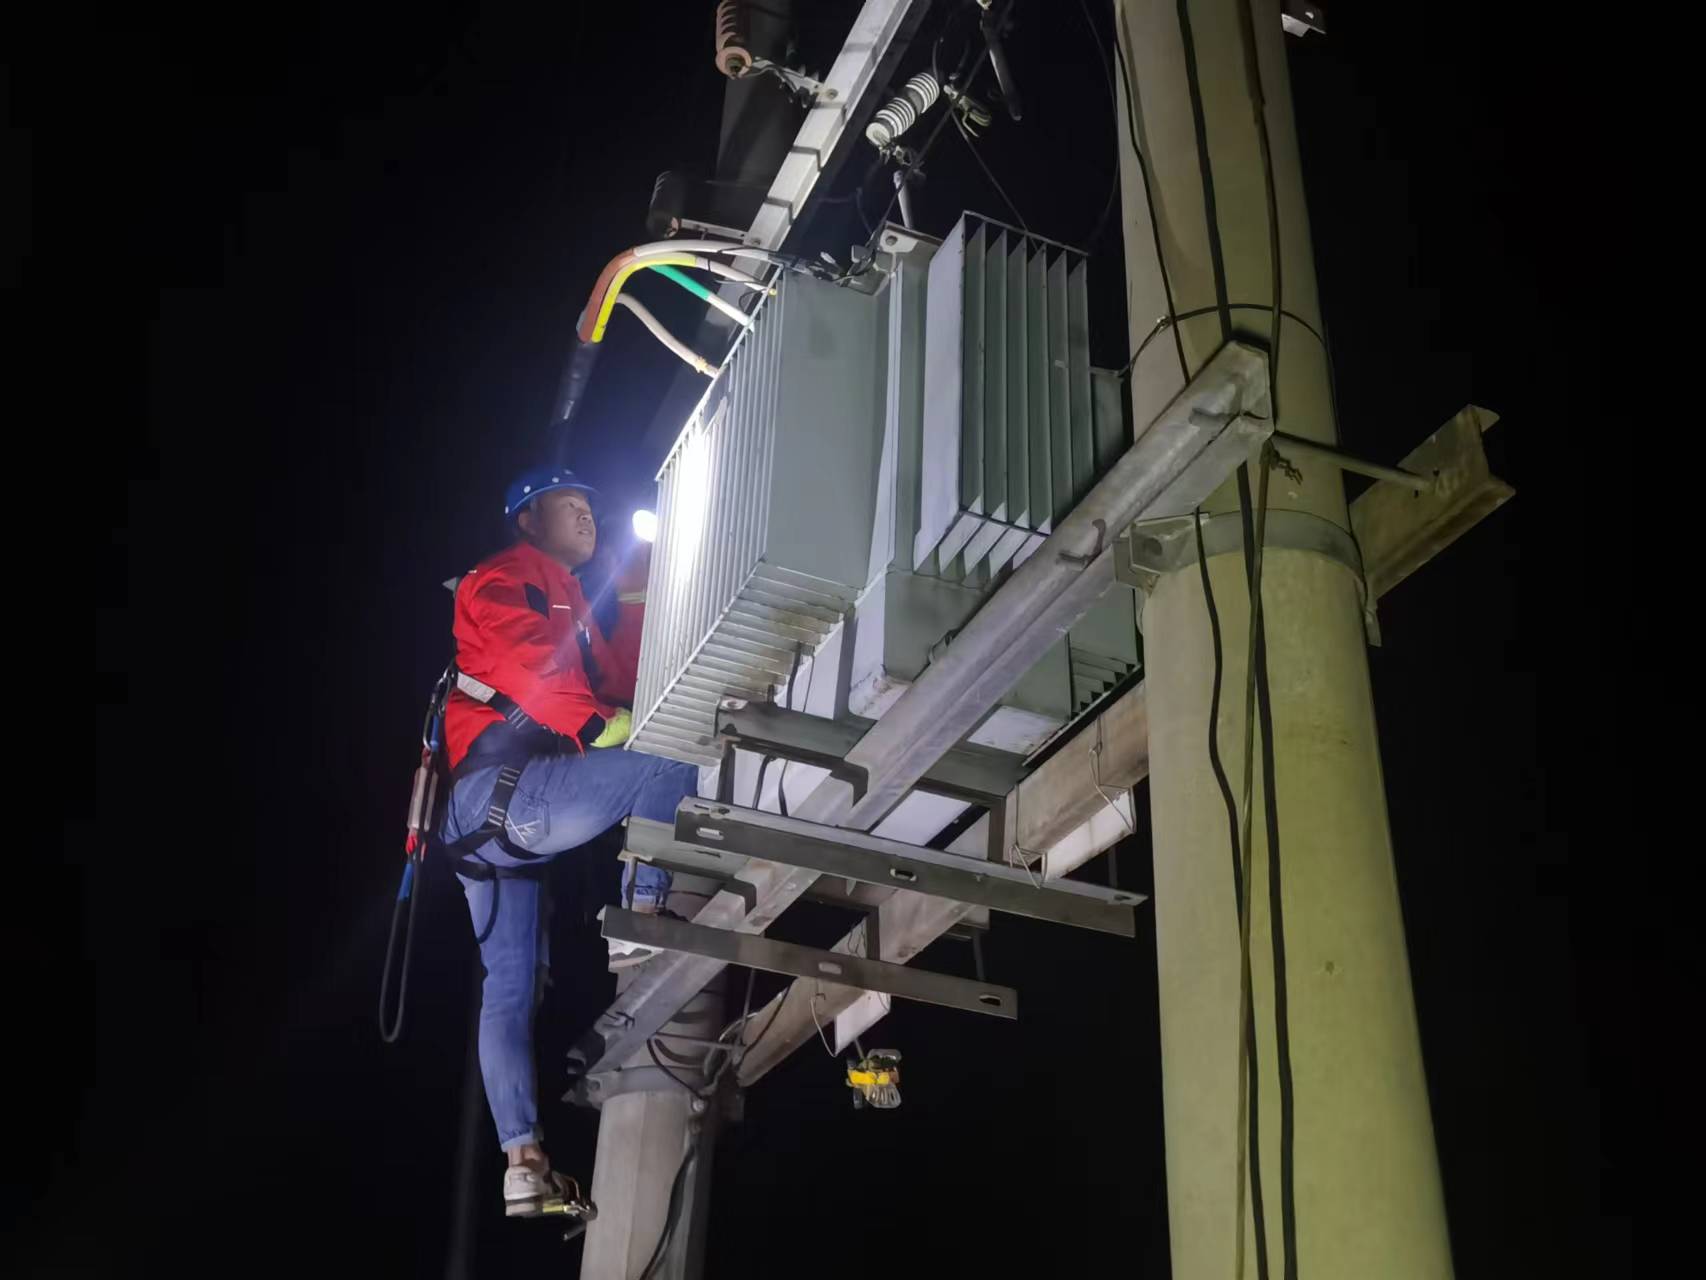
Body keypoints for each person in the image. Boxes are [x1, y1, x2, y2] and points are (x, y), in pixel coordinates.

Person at [438, 464, 698, 1217]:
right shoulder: (507, 576)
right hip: (506, 797)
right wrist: (598, 726)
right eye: (569, 504)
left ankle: (521, 1161)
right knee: (668, 763)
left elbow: (616, 681)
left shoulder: (572, 600)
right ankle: (641, 918)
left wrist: (645, 587)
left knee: (510, 989)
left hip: (491, 831)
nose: (586, 516)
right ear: (528, 520)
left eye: (589, 506)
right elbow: (534, 665)